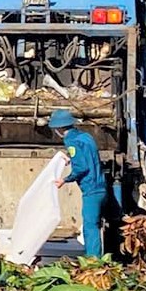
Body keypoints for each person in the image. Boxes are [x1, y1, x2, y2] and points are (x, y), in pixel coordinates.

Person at [49, 108, 115, 258]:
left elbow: (81, 167)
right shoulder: (86, 136)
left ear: (58, 128)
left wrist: (65, 180)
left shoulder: (70, 141)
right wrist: (70, 158)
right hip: (101, 187)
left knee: (90, 226)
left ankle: (94, 261)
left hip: (90, 190)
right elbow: (87, 157)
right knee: (97, 223)